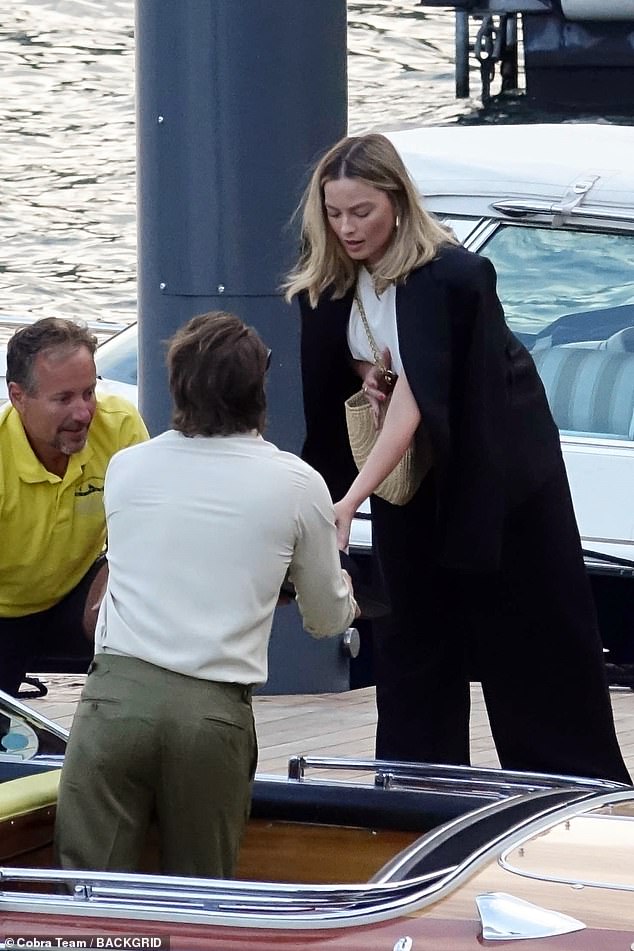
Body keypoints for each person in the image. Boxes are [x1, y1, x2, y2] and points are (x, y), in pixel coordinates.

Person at [284, 132, 631, 785]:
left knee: (532, 641)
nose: (348, 227)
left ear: (397, 201)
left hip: (496, 466)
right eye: (335, 213)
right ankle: (418, 785)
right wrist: (368, 379)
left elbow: (422, 394)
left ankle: (571, 786)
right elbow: (361, 368)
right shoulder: (328, 280)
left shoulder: (451, 275)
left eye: (362, 211)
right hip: (410, 473)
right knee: (413, 638)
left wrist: (349, 499)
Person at [55, 311, 358, 879]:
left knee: (87, 899)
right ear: (258, 388)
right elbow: (325, 617)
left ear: (176, 385)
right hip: (210, 715)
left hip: (115, 703)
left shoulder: (127, 467)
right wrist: (343, 593)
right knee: (200, 904)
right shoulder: (296, 483)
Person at [0, 317, 149, 698]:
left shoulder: (120, 426)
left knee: (148, 596)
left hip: (74, 592)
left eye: (88, 392)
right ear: (18, 397)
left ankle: (130, 727)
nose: (83, 413)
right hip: (4, 609)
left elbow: (149, 536)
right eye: (63, 399)